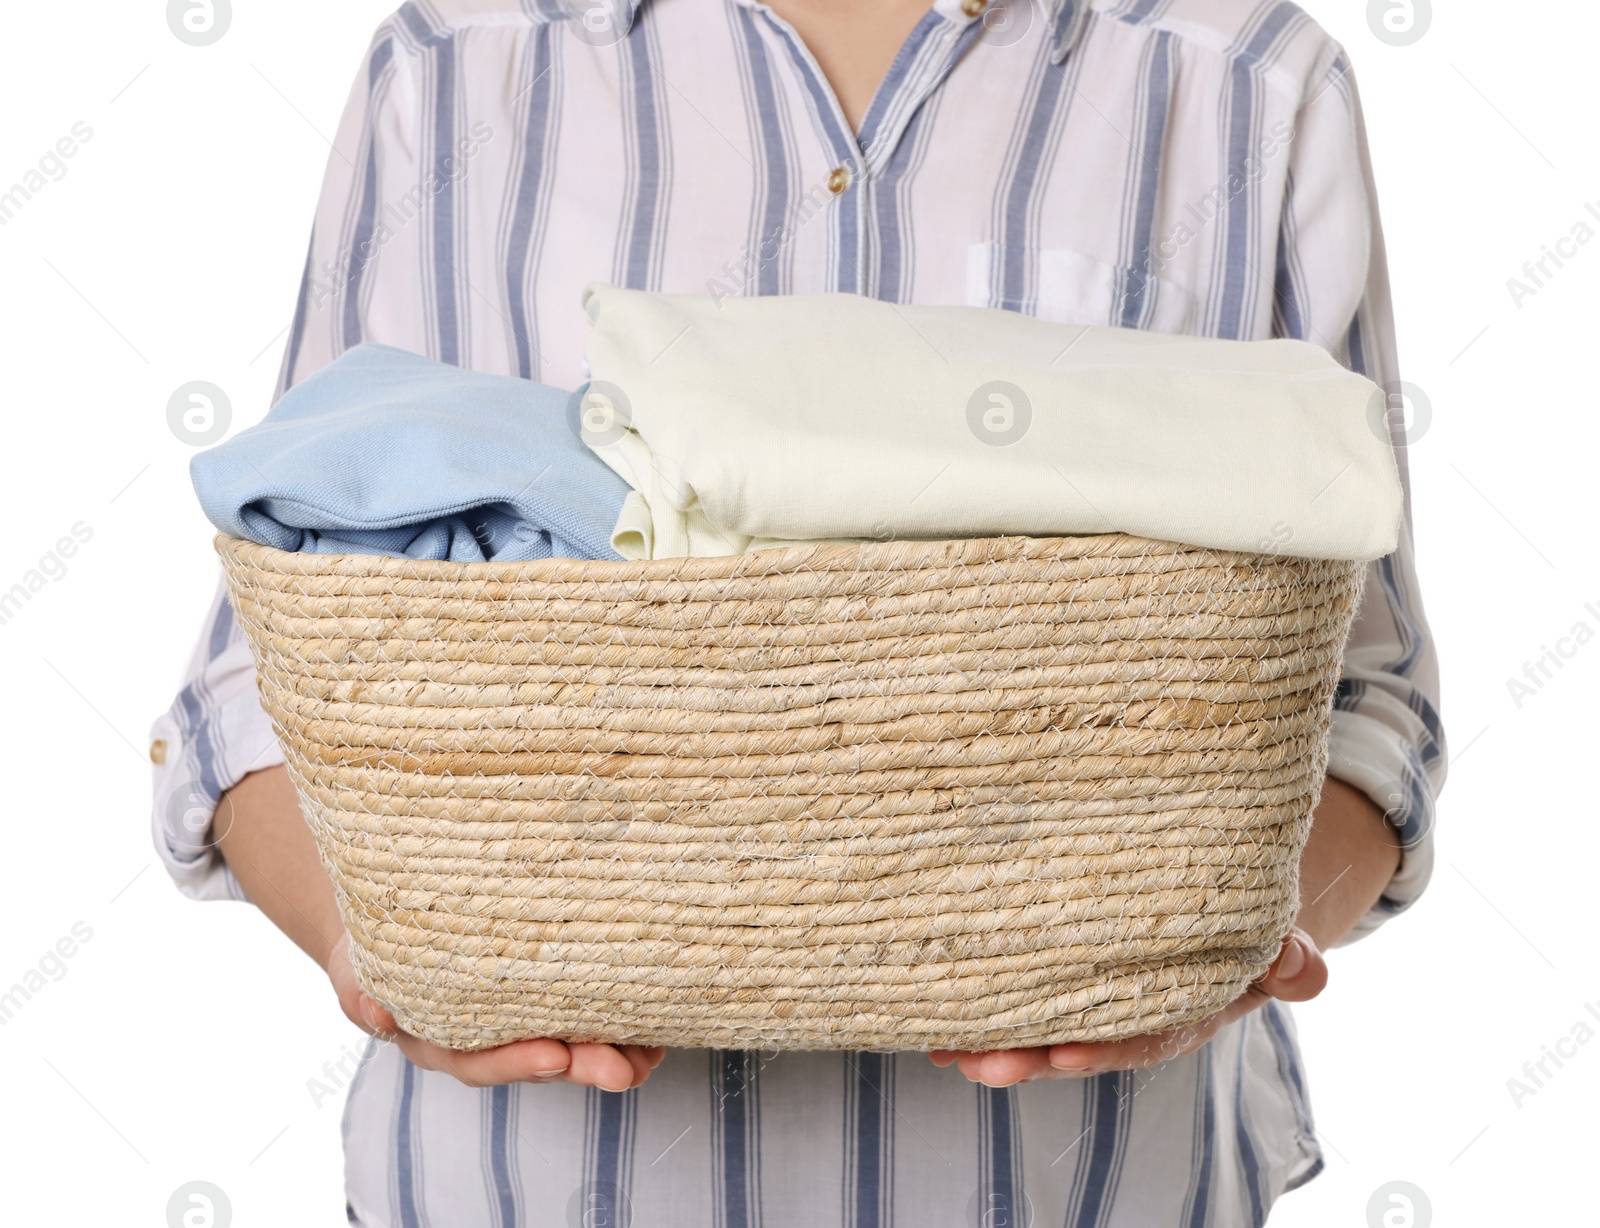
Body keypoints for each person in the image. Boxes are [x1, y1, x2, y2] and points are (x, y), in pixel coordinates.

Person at [148, 0, 1445, 1223]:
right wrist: (378, 949)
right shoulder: (458, 64)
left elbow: (1370, 697)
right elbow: (256, 675)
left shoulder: (1242, 79)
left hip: (1087, 1188)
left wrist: (1232, 934)